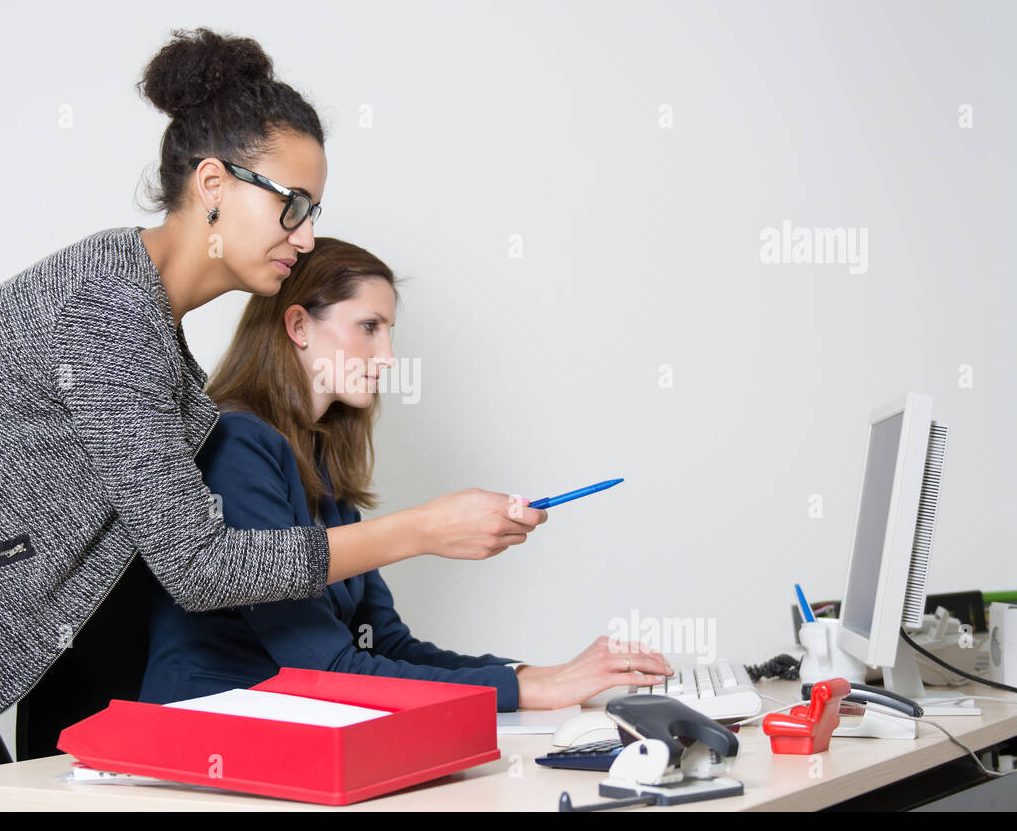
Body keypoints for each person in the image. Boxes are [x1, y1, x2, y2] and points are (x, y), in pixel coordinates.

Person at [0, 27, 546, 811]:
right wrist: (424, 527)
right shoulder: (111, 309)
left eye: (315, 211)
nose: (305, 234)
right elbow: (200, 567)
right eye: (292, 204)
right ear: (214, 186)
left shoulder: (158, 342)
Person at [136, 237, 673, 712]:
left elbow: (382, 647)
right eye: (369, 327)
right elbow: (328, 674)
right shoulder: (237, 445)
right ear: (298, 326)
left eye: (389, 332)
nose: (388, 357)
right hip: (208, 746)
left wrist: (535, 676)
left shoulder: (320, 459)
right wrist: (530, 693)